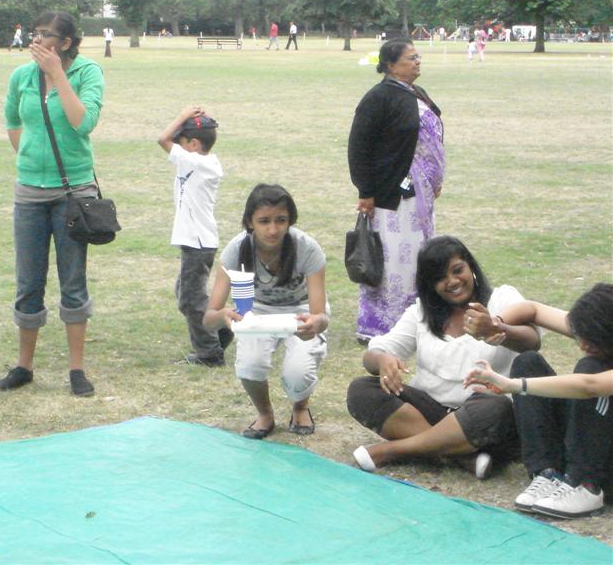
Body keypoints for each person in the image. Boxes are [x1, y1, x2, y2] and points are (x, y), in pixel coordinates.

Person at [347, 236, 540, 477]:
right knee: (361, 390)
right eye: (440, 278)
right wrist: (383, 361)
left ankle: (393, 451)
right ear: (430, 285)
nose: (452, 282)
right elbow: (372, 355)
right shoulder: (421, 313)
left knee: (496, 406)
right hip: (433, 409)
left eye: (458, 270)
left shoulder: (502, 300)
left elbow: (533, 341)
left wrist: (496, 329)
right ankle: (460, 456)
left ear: (471, 266)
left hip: (484, 416)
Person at [0, 11, 104, 397]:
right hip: (29, 192)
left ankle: (77, 369)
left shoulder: (87, 73)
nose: (37, 41)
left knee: (73, 281)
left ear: (67, 43)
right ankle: (24, 366)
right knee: (28, 282)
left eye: (47, 36)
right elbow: (12, 119)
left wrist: (58, 75)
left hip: (72, 192)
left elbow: (83, 122)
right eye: (35, 33)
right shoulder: (21, 77)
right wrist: (27, 157)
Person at [464, 283, 612, 518]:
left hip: (605, 462)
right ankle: (548, 473)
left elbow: (589, 386)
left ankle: (585, 485)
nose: (582, 345)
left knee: (590, 368)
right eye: (580, 337)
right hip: (591, 442)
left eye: (590, 341)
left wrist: (513, 385)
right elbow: (532, 310)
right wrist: (494, 324)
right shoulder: (597, 325)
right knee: (528, 362)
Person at [203, 184, 328, 437]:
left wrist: (316, 324)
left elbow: (319, 314)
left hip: (300, 309)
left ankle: (300, 407)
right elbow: (208, 319)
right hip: (256, 311)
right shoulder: (236, 250)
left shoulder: (308, 248)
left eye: (281, 220)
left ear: (290, 220)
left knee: (299, 372)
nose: (273, 229)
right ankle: (265, 413)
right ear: (250, 222)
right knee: (250, 365)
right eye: (264, 221)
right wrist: (223, 316)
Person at [348, 38, 444, 340]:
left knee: (418, 255)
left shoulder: (417, 93)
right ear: (390, 65)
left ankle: (416, 317)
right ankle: (381, 324)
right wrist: (365, 191)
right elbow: (359, 146)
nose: (417, 61)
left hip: (421, 195)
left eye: (418, 56)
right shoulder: (379, 98)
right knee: (391, 258)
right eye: (410, 58)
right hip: (392, 194)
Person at [158, 107, 226, 366]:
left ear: (194, 144)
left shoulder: (198, 162)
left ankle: (209, 353)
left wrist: (183, 113)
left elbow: (162, 139)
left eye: (183, 141)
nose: (177, 145)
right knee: (186, 292)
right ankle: (221, 331)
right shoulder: (199, 160)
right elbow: (170, 141)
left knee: (190, 299)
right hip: (197, 240)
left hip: (198, 241)